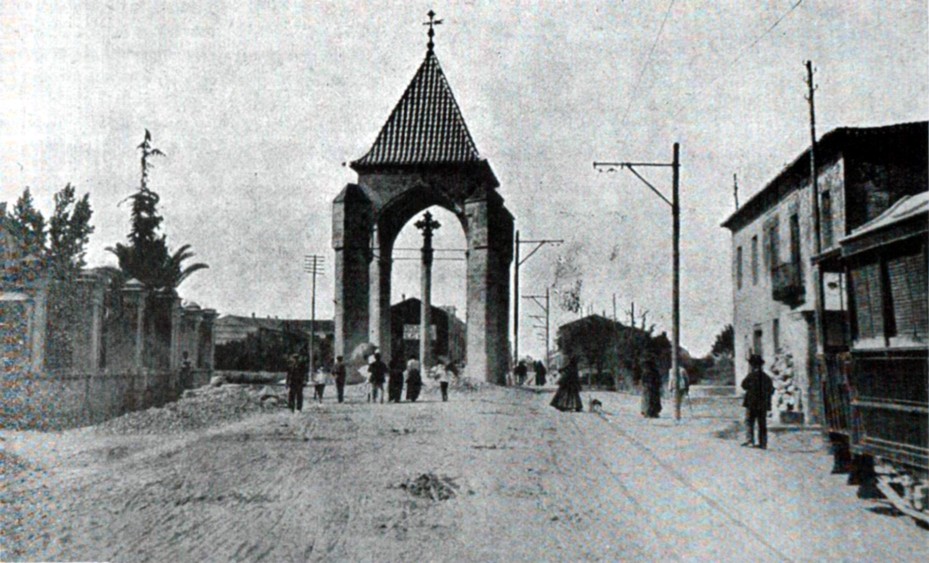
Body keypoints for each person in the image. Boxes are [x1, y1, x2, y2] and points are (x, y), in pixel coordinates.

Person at [742, 354, 775, 449]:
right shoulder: (766, 377)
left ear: (752, 365)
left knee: (749, 421)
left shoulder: (750, 376)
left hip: (751, 403)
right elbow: (771, 390)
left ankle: (750, 441)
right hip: (762, 404)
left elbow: (743, 385)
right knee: (762, 423)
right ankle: (763, 443)